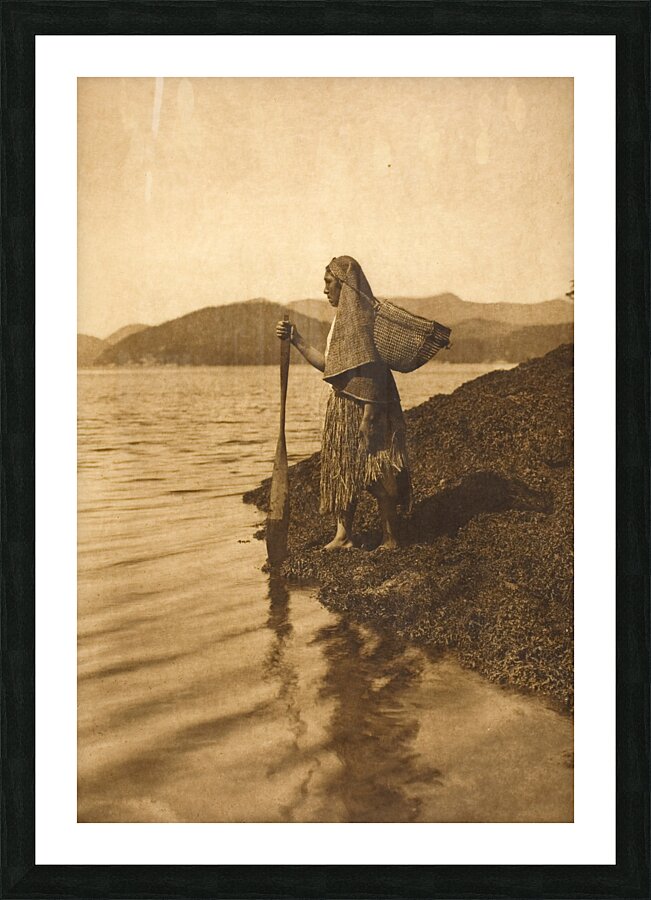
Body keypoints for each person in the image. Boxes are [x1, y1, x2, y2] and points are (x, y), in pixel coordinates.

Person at [276, 255, 411, 551]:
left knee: (376, 471)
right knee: (343, 470)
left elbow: (374, 372)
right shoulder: (342, 322)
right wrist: (296, 339)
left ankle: (390, 537)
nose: (325, 289)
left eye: (329, 283)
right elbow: (330, 366)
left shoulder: (362, 321)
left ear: (344, 285)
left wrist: (369, 417)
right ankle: (343, 535)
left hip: (366, 408)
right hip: (343, 405)